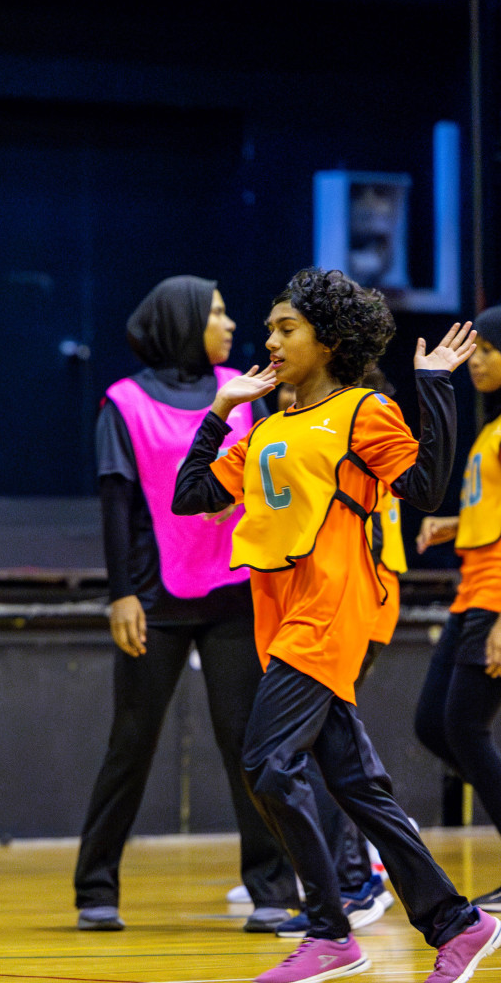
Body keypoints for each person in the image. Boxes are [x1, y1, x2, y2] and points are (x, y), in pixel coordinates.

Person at [174, 267, 496, 983]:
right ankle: (456, 922)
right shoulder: (270, 424)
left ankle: (329, 928)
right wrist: (222, 409)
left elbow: (422, 485)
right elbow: (190, 493)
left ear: (332, 341)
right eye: (270, 328)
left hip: (330, 610)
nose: (270, 340)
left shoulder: (363, 412)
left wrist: (436, 386)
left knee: (265, 760)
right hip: (280, 614)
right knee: (355, 785)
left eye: (286, 329)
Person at [73, 276, 297, 933]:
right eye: (217, 312)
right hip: (155, 597)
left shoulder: (247, 389)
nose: (231, 323)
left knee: (246, 744)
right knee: (132, 742)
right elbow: (117, 505)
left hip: (235, 593)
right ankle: (95, 888)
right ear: (182, 320)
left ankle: (268, 887)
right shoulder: (123, 402)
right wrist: (120, 594)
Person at [269, 369, 400, 939]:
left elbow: (361, 543)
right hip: (331, 607)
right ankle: (354, 877)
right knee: (333, 756)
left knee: (299, 756)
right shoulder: (307, 436)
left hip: (351, 607)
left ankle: (355, 880)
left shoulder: (356, 427)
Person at [413, 304, 501, 914]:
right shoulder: (492, 428)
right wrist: (457, 522)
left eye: (489, 351)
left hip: (495, 599)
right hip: (469, 591)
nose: (479, 362)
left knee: (465, 728)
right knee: (433, 725)